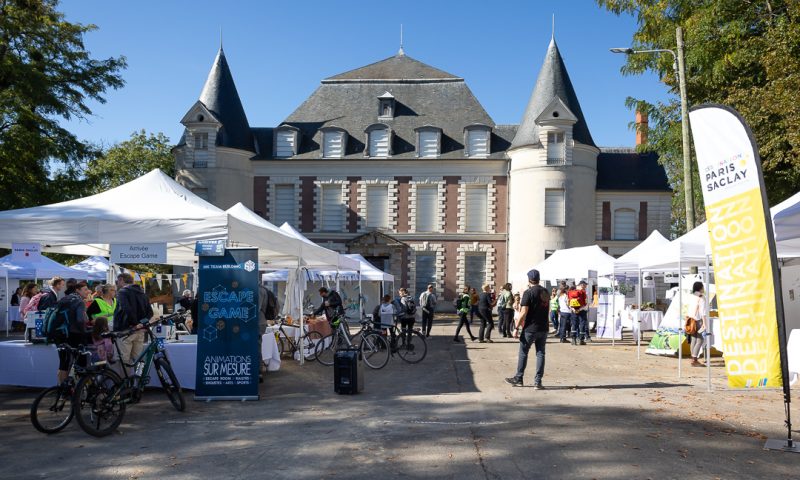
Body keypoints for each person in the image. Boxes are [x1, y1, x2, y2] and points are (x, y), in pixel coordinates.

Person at [505, 269, 550, 389]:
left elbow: (523, 312)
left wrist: (516, 328)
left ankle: (519, 378)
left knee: (523, 352)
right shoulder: (545, 292)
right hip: (543, 327)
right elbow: (548, 310)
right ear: (539, 279)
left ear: (529, 280)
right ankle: (538, 382)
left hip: (530, 328)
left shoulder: (528, 292)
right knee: (540, 353)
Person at [55, 279, 92, 383]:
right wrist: (84, 331)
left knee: (63, 364)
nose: (88, 291)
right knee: (81, 363)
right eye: (85, 289)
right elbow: (80, 320)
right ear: (77, 290)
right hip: (75, 335)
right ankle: (79, 390)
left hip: (60, 334)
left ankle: (62, 391)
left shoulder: (64, 299)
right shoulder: (79, 301)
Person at [115, 273, 153, 370]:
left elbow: (126, 309)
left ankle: (125, 383)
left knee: (123, 361)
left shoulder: (122, 292)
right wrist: (142, 323)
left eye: (118, 281)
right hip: (139, 330)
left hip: (126, 330)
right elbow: (150, 312)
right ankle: (138, 382)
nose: (117, 283)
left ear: (122, 280)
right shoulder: (142, 292)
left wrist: (136, 324)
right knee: (138, 359)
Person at [687, 281, 709, 367]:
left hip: (691, 319)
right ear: (700, 288)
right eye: (703, 287)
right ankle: (694, 359)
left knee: (694, 340)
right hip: (699, 320)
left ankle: (693, 358)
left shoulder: (691, 296)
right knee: (700, 340)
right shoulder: (701, 297)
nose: (703, 288)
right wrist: (704, 323)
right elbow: (703, 312)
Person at [568, 281, 589, 345]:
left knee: (574, 324)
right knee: (582, 325)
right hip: (582, 311)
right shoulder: (583, 292)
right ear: (582, 285)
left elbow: (568, 302)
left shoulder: (571, 292)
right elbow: (586, 304)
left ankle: (573, 340)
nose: (586, 286)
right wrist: (580, 309)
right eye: (585, 285)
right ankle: (581, 340)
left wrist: (573, 309)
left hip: (574, 311)